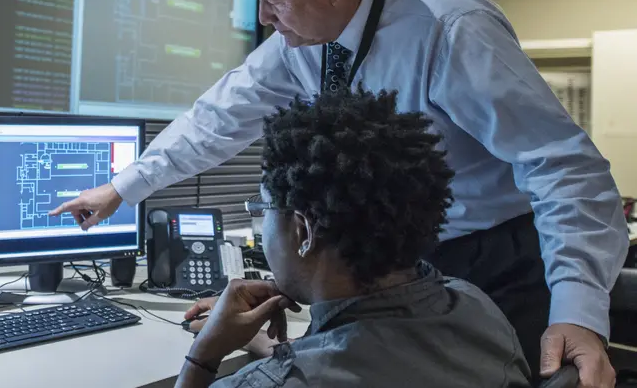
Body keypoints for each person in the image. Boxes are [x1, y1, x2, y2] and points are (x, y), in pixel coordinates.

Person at [52, 0, 628, 386]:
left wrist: (579, 309)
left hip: (491, 259)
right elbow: (220, 116)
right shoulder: (301, 40)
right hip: (397, 265)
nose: (263, 16)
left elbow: (561, 165)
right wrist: (122, 188)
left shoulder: (451, 30)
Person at [174, 87, 531, 387]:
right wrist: (268, 340)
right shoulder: (474, 305)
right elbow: (381, 356)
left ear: (303, 230)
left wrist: (205, 354)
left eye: (262, 209)